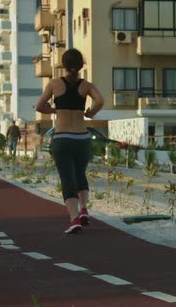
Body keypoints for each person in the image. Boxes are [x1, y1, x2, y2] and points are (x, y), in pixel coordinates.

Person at [35, 48, 104, 234]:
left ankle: (74, 219)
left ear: (63, 65)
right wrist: (90, 113)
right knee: (80, 174)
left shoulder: (54, 84)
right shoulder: (86, 85)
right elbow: (100, 100)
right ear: (81, 65)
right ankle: (83, 209)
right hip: (82, 138)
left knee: (67, 179)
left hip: (62, 137)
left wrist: (55, 110)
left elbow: (40, 106)